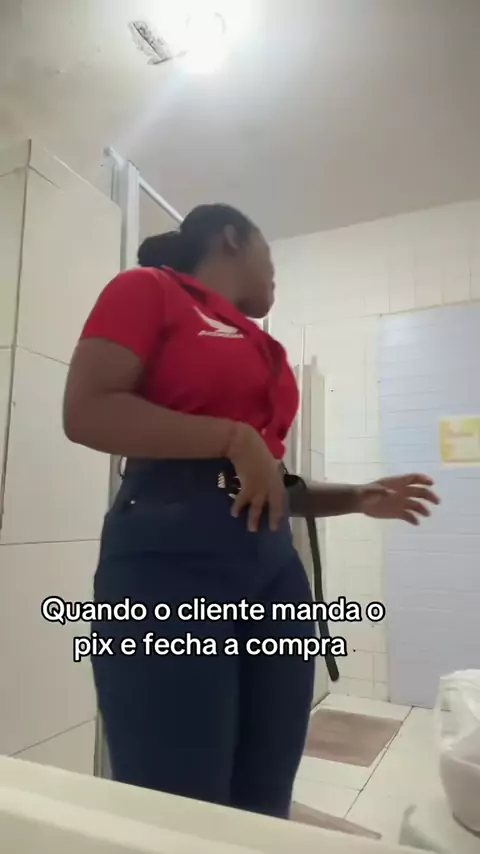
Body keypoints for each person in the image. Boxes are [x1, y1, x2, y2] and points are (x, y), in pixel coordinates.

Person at [63, 203, 439, 819]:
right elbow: (87, 411)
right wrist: (233, 437)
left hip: (273, 572)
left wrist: (355, 496)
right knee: (181, 805)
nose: (274, 272)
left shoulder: (262, 344)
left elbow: (262, 477)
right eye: (271, 253)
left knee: (265, 795)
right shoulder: (150, 289)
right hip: (169, 567)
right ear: (233, 238)